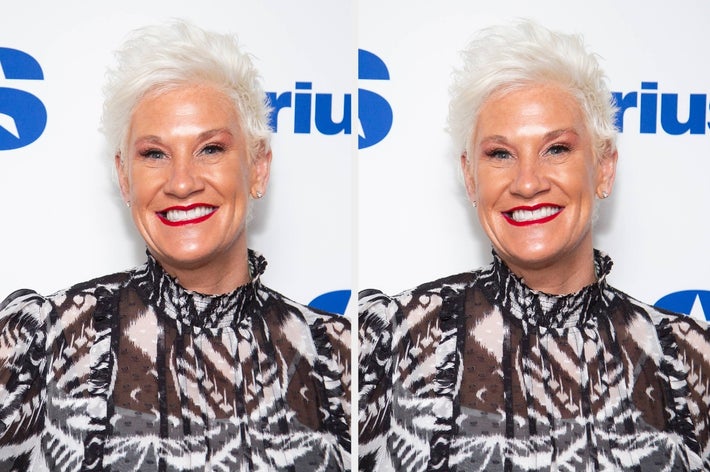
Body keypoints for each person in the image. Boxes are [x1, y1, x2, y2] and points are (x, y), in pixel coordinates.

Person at [359, 20, 710, 471]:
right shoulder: (385, 341)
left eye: (556, 149)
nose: (527, 183)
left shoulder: (691, 359)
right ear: (470, 177)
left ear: (604, 168)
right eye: (500, 154)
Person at [0, 20, 350, 471]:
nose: (182, 183)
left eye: (210, 149)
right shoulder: (41, 345)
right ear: (125, 178)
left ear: (259, 167)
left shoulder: (339, 357)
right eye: (154, 154)